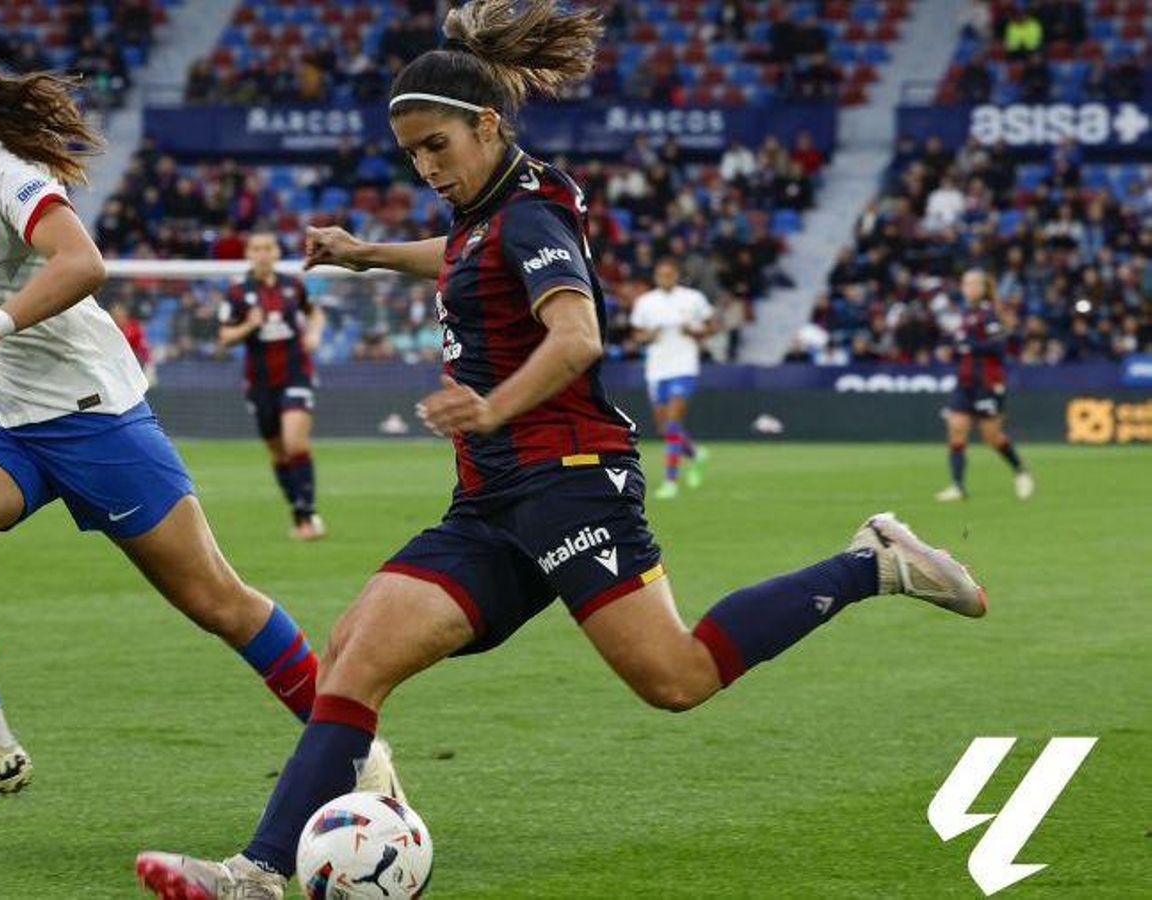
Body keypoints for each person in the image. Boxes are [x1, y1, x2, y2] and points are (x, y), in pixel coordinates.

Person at [134, 3, 987, 897]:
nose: (427, 168)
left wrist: (491, 406)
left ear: (487, 125)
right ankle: (264, 870)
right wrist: (368, 253)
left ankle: (871, 563)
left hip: (573, 487)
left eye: (438, 147)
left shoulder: (532, 215)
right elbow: (463, 254)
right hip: (490, 500)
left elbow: (576, 339)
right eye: (413, 154)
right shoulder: (488, 204)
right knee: (356, 647)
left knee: (677, 678)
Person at [0, 31, 393, 815]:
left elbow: (83, 263)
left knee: (216, 600)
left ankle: (361, 756)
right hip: (5, 423)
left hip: (95, 415)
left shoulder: (8, 178)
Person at [217, 232, 328, 539]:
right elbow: (224, 337)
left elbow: (314, 313)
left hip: (296, 373)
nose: (263, 254)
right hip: (260, 382)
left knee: (295, 443)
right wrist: (248, 326)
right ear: (248, 254)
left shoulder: (293, 285)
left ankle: (309, 513)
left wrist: (314, 333)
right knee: (279, 453)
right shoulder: (238, 293)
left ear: (277, 251)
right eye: (256, 248)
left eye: (268, 247)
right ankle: (298, 512)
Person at [936, 269, 1034, 501]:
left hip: (988, 381)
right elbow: (964, 348)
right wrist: (952, 352)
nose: (968, 288)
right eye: (965, 283)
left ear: (982, 287)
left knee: (991, 435)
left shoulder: (989, 314)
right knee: (956, 429)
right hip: (965, 380)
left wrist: (968, 345)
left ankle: (1021, 472)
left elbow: (998, 348)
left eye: (972, 284)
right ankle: (958, 486)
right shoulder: (965, 314)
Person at [630, 257, 714, 498]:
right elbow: (636, 335)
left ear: (677, 275)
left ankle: (671, 481)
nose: (665, 278)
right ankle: (696, 454)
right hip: (657, 368)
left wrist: (695, 331)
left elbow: (712, 326)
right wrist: (648, 335)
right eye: (661, 274)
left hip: (684, 365)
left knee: (674, 422)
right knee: (664, 427)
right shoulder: (646, 302)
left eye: (669, 274)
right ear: (656, 277)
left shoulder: (692, 299)